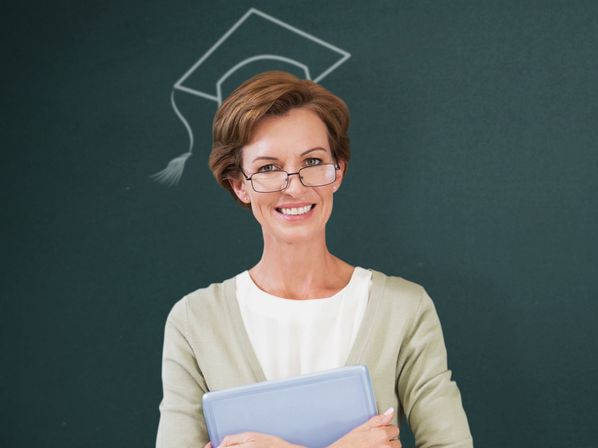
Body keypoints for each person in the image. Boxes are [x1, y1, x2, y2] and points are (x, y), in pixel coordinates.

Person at [156, 71, 473, 448]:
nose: (295, 186)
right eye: (268, 168)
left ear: (338, 171)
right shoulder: (195, 321)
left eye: (312, 161)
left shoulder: (404, 309)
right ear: (239, 184)